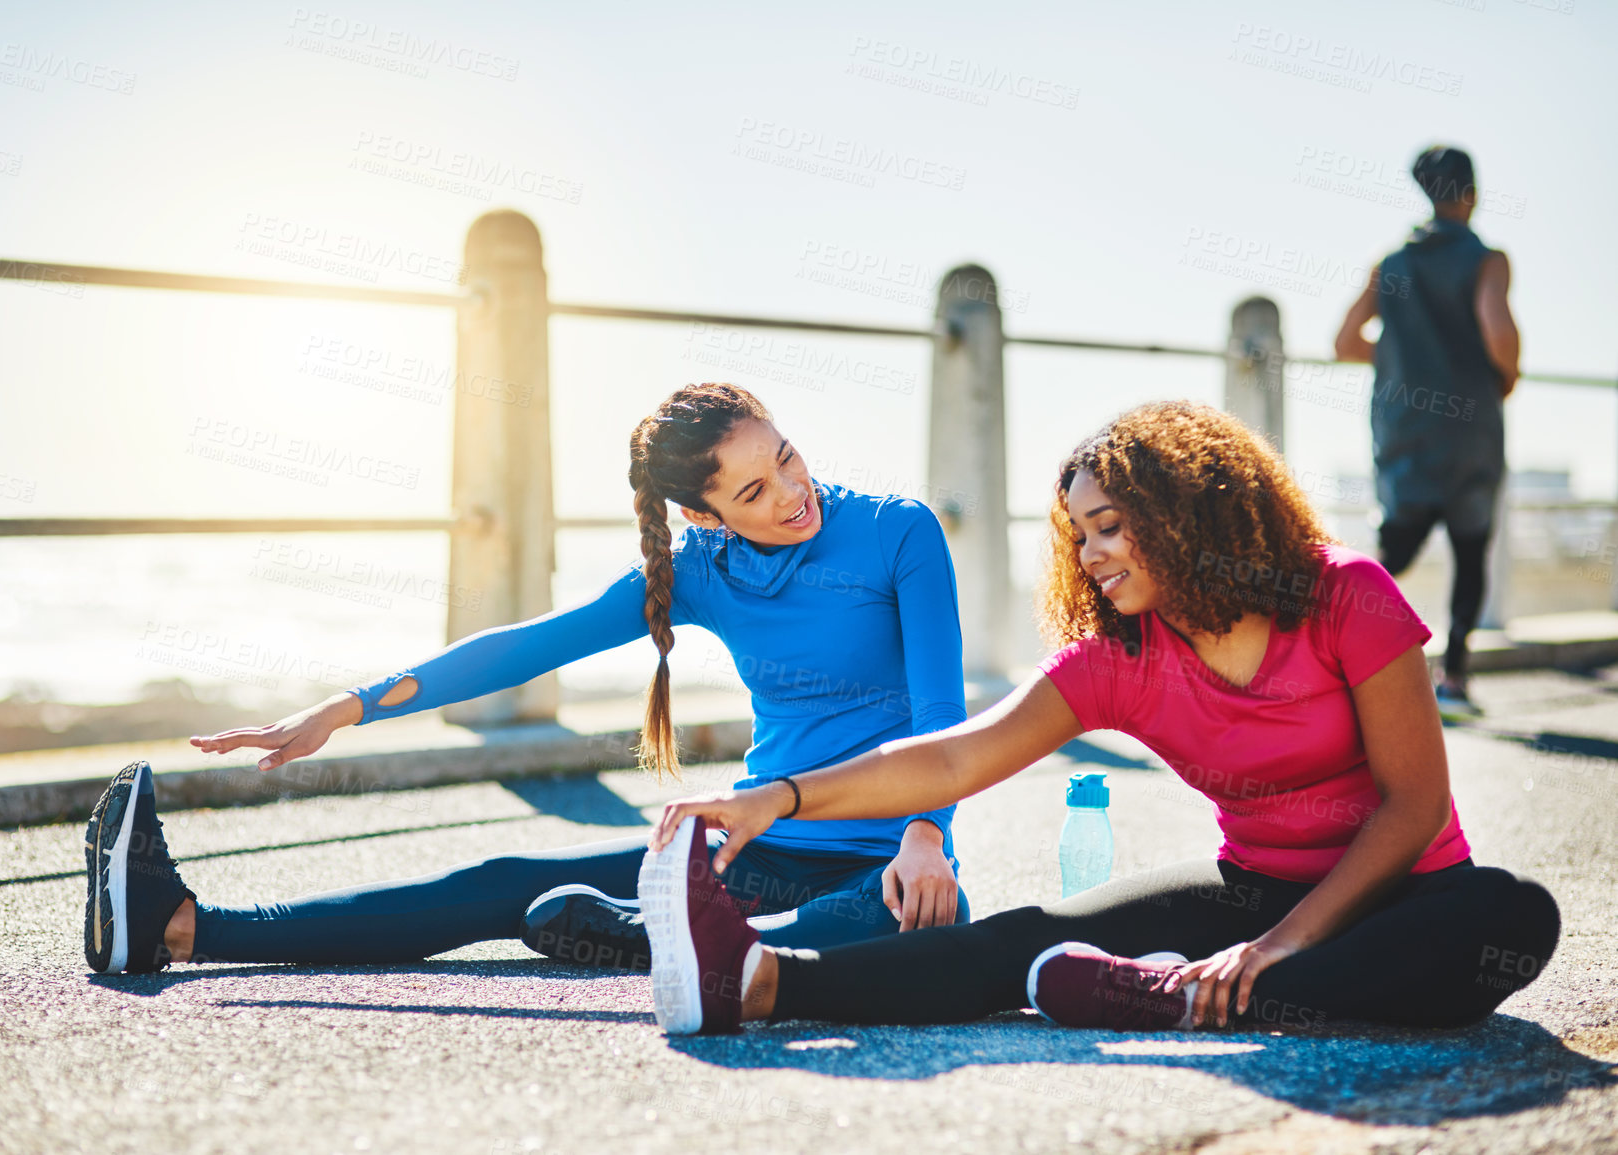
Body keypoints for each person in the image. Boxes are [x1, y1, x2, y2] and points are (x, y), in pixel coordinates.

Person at [639, 401, 1559, 1037]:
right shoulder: (1120, 656)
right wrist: (775, 798)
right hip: (1250, 887)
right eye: (1079, 533)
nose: (1091, 553)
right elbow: (955, 760)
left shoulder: (1342, 593)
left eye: (1111, 524)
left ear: (1187, 508)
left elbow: (1413, 806)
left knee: (1511, 917)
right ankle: (761, 984)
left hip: (1407, 894)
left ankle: (1183, 995)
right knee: (1023, 936)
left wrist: (1271, 949)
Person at [82, 382, 973, 975]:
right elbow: (528, 646)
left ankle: (685, 942)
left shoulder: (898, 533)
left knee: (913, 915)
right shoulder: (700, 567)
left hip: (887, 856)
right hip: (747, 846)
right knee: (503, 877)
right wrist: (347, 706)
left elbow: (941, 711)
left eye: (783, 456)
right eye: (749, 493)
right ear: (701, 514)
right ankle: (177, 927)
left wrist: (926, 833)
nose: (788, 492)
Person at [1334, 144, 1522, 720]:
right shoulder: (1487, 261)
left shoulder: (1390, 265)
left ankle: (1333, 658)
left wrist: (1400, 365)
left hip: (1405, 430)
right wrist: (1504, 378)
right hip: (1471, 434)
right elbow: (1500, 338)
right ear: (1471, 193)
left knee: (1395, 549)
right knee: (1470, 550)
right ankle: (1454, 681)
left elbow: (1345, 343)